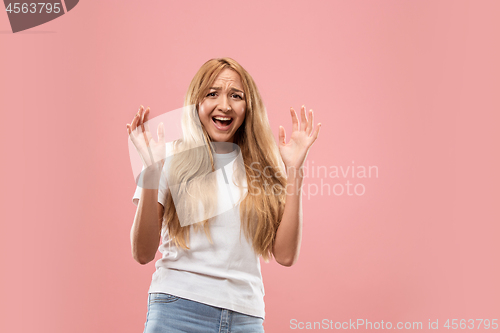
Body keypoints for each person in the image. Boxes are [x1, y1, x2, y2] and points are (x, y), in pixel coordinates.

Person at [126, 57, 321, 333]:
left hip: (245, 318)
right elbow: (142, 252)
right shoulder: (168, 157)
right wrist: (150, 171)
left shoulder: (263, 167)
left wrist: (295, 172)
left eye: (236, 96)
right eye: (212, 93)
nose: (225, 105)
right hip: (176, 312)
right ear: (197, 102)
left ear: (248, 106)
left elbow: (286, 255)